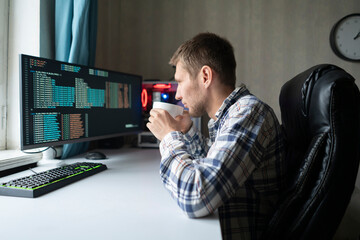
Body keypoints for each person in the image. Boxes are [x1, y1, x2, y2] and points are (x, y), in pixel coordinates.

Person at [146, 32, 286, 240]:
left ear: (205, 76)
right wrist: (186, 131)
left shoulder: (248, 113)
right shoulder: (231, 115)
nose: (177, 94)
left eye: (180, 82)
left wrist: (168, 137)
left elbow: (196, 197)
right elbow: (214, 162)